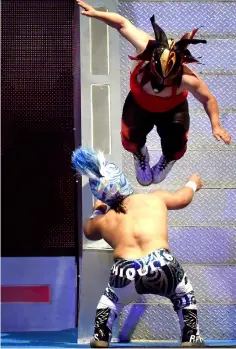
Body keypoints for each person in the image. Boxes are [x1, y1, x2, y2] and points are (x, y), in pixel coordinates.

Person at [76, 0, 231, 186]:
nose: (163, 82)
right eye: (159, 76)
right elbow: (122, 23)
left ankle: (168, 157)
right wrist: (97, 13)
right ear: (151, 62)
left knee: (176, 142)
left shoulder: (187, 79)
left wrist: (216, 125)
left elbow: (208, 99)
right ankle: (140, 153)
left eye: (169, 78)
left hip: (172, 110)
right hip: (140, 104)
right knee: (130, 136)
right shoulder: (144, 46)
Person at [72, 146, 205, 348]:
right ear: (123, 181)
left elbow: (89, 231)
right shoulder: (154, 197)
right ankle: (190, 337)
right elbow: (182, 198)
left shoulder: (105, 220)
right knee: (183, 295)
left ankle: (101, 335)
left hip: (125, 270)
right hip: (162, 264)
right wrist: (192, 184)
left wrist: (98, 209)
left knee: (110, 301)